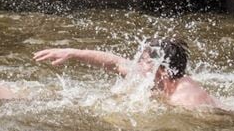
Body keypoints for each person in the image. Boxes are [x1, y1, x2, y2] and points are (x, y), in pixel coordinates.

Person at [33, 39, 218, 109]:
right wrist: (71, 52)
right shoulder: (157, 79)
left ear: (161, 69)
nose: (137, 65)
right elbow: (115, 62)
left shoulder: (186, 100)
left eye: (143, 62)